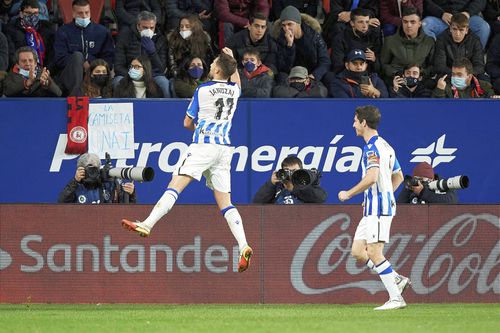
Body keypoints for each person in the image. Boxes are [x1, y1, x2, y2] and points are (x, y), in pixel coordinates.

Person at [121, 47, 253, 273]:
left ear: (219, 69)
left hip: (203, 146)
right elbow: (237, 83)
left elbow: (186, 123)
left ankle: (147, 224)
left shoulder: (203, 90)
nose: (209, 65)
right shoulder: (234, 91)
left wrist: (197, 124)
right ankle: (243, 245)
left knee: (175, 186)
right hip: (224, 150)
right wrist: (231, 60)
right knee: (226, 203)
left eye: (212, 63)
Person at [338, 105, 410, 311]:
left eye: (355, 120)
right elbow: (399, 176)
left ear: (364, 123)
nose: (353, 124)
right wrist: (385, 194)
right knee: (358, 251)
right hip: (374, 205)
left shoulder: (371, 148)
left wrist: (349, 194)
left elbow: (372, 177)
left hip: (378, 208)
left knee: (375, 252)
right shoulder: (386, 146)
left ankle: (396, 298)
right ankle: (396, 279)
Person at [53, 0, 115, 96]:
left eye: (87, 12)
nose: (84, 16)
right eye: (80, 13)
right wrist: (81, 63)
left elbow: (109, 59)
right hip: (70, 75)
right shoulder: (63, 32)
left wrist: (91, 64)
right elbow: (59, 59)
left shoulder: (103, 32)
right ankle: (77, 97)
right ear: (73, 14)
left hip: (96, 74)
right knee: (77, 56)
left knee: (101, 68)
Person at [114, 11, 170, 98]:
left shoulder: (160, 39)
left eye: (152, 28)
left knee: (164, 83)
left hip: (152, 76)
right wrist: (131, 74)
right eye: (145, 27)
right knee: (117, 81)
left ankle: (167, 110)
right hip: (130, 74)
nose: (149, 30)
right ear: (138, 25)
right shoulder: (125, 36)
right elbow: (118, 66)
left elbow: (161, 69)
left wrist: (152, 52)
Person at [273, 5, 330, 83]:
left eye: (289, 24)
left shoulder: (314, 36)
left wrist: (314, 76)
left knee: (329, 77)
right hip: (292, 76)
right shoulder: (280, 39)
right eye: (283, 25)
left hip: (311, 74)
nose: (286, 28)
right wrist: (290, 46)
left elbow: (325, 61)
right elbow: (282, 68)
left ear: (298, 23)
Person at [380, 7, 435, 85]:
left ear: (419, 24)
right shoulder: (390, 41)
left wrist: (420, 73)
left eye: (412, 22)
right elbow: (383, 65)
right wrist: (397, 74)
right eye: (405, 22)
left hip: (420, 84)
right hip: (397, 83)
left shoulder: (429, 41)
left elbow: (433, 66)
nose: (408, 25)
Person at [58, 153, 136, 204]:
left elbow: (126, 210)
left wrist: (131, 194)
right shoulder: (75, 186)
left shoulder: (108, 184)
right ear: (80, 169)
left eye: (94, 169)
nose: (91, 172)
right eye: (88, 169)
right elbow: (61, 204)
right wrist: (74, 181)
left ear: (99, 168)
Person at [253, 155, 327, 204]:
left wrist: (293, 189)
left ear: (301, 170)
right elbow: (256, 204)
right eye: (287, 171)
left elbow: (321, 198)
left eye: (294, 171)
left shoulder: (306, 184)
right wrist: (271, 184)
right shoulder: (276, 186)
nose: (291, 174)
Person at [3, 0, 55, 70]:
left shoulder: (47, 29)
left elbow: (52, 55)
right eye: (28, 13)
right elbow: (11, 55)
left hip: (43, 71)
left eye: (35, 13)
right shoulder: (11, 30)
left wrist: (45, 71)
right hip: (20, 71)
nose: (32, 16)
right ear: (21, 13)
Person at [330, 8, 382, 75]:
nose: (365, 26)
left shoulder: (373, 36)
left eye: (367, 22)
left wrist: (374, 60)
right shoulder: (340, 39)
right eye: (360, 22)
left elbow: (380, 67)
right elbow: (337, 65)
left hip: (368, 75)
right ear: (352, 23)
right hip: (346, 76)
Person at [433, 13, 485, 79]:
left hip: (468, 76)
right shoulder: (442, 39)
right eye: (454, 29)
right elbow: (439, 66)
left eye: (461, 30)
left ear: (466, 30)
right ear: (450, 28)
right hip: (449, 76)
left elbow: (480, 66)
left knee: (485, 80)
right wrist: (457, 75)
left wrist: (465, 75)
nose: (457, 34)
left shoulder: (475, 40)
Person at [422, 0, 490, 49]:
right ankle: (434, 60)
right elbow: (426, 2)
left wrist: (468, 13)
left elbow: (481, 1)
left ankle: (473, 60)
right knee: (425, 25)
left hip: (467, 17)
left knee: (483, 27)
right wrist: (441, 14)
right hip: (441, 18)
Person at [166, 14, 214, 79]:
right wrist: (179, 77)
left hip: (201, 75)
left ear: (195, 28)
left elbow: (210, 58)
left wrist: (205, 76)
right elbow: (172, 64)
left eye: (187, 26)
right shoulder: (173, 39)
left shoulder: (204, 39)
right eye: (181, 26)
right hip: (179, 75)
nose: (183, 29)